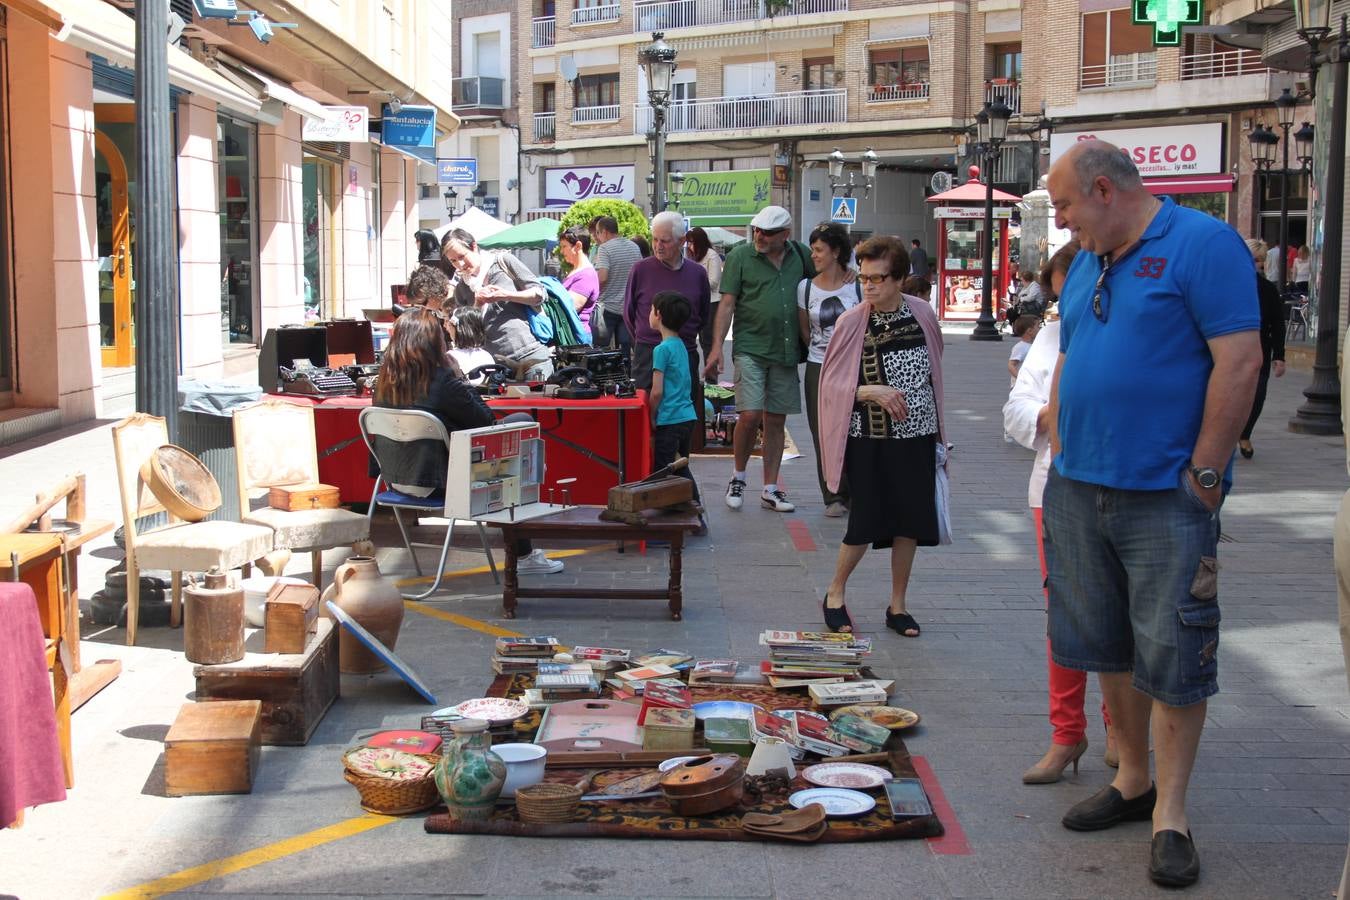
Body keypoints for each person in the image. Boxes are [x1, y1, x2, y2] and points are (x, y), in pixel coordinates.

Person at [1043, 140, 1261, 888]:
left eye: (1065, 204)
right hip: (1078, 485)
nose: (1061, 218)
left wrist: (1205, 472)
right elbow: (1069, 355)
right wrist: (1059, 433)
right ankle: (1131, 779)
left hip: (1165, 493)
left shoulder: (1203, 243)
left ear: (1104, 190)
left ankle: (1172, 812)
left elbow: (1240, 360)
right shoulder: (1089, 262)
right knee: (1105, 646)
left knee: (1174, 653)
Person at [1004, 240, 1117, 785]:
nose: (1061, 302)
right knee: (1066, 616)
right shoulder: (1049, 338)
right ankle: (1067, 733)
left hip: (1124, 485)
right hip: (1054, 487)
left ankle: (1119, 726)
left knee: (1123, 611)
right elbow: (1016, 411)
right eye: (1056, 292)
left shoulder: (1129, 329)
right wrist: (1050, 410)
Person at [816, 236, 945, 639]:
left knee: (910, 522)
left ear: (901, 278)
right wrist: (868, 391)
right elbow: (830, 386)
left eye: (878, 278)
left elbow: (936, 370)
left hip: (918, 433)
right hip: (868, 437)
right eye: (865, 278)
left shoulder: (922, 313)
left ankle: (898, 606)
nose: (869, 286)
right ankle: (834, 593)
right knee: (865, 521)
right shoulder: (852, 321)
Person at [370, 307, 563, 575]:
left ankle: (525, 526)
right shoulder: (441, 380)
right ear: (433, 343)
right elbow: (485, 421)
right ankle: (523, 552)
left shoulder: (383, 381)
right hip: (441, 483)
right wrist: (459, 375)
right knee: (521, 430)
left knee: (516, 443)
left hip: (396, 480)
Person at [704, 205, 815, 514]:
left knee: (776, 419)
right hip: (750, 346)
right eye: (756, 230)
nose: (759, 237)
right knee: (750, 414)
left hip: (785, 348)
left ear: (785, 235)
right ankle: (738, 477)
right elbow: (726, 304)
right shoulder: (741, 256)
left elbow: (821, 281)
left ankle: (769, 488)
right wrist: (716, 348)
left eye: (767, 233)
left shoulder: (801, 255)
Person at [797, 222, 859, 518]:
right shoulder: (805, 287)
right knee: (821, 431)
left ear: (836, 252)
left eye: (819, 250)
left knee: (853, 430)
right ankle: (832, 494)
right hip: (818, 367)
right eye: (813, 249)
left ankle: (856, 490)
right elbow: (806, 331)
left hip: (854, 368)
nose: (814, 255)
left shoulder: (857, 284)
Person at [441, 229, 554, 381]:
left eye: (462, 256)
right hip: (495, 366)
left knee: (537, 403)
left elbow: (540, 294)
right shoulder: (462, 288)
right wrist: (478, 304)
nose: (460, 265)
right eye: (453, 261)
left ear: (474, 247)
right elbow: (468, 332)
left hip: (531, 356)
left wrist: (506, 295)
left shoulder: (503, 262)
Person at [623, 211, 710, 397]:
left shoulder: (697, 273)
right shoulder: (641, 270)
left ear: (682, 241)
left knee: (683, 412)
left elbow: (702, 316)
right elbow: (629, 314)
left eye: (665, 241)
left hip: (684, 352)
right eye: (654, 239)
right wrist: (646, 340)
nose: (658, 246)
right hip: (648, 354)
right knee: (646, 412)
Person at [648, 291, 701, 508]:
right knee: (679, 464)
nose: (649, 314)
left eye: (651, 310)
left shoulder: (661, 350)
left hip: (669, 419)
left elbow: (657, 391)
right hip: (687, 417)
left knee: (667, 468)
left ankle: (690, 506)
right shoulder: (680, 345)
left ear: (658, 314)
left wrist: (652, 414)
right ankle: (687, 508)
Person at [1238, 238, 1287, 460]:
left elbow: (1277, 323)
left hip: (1260, 349)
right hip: (1232, 348)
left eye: (1260, 260)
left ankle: (1244, 434)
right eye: (1253, 259)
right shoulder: (1228, 285)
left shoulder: (1268, 289)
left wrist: (1280, 356)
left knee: (1257, 396)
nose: (1256, 263)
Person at [589, 216, 642, 357]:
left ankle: (604, 378)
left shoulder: (604, 249)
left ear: (605, 232)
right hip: (628, 307)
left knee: (601, 349)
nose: (598, 238)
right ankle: (625, 376)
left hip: (608, 306)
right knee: (625, 348)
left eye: (598, 233)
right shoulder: (634, 247)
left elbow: (603, 277)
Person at [685, 227, 724, 370]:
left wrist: (695, 283)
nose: (689, 246)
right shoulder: (695, 258)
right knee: (702, 340)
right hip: (699, 301)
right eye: (688, 243)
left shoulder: (712, 256)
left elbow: (713, 282)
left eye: (692, 243)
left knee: (708, 340)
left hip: (712, 302)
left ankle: (711, 376)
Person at [559, 227, 599, 342]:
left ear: (578, 246)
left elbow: (570, 307)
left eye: (564, 246)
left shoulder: (586, 275)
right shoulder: (577, 271)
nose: (561, 251)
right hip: (572, 335)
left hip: (576, 338)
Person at [446, 307, 495, 385]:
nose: (447, 329)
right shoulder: (486, 355)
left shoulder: (450, 356)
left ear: (458, 329)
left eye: (450, 325)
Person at [1008, 315, 1040, 385]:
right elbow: (1011, 365)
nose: (1040, 329)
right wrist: (1020, 378)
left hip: (1032, 383)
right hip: (1021, 385)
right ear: (1030, 331)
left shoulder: (1035, 345)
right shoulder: (1020, 347)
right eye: (1038, 326)